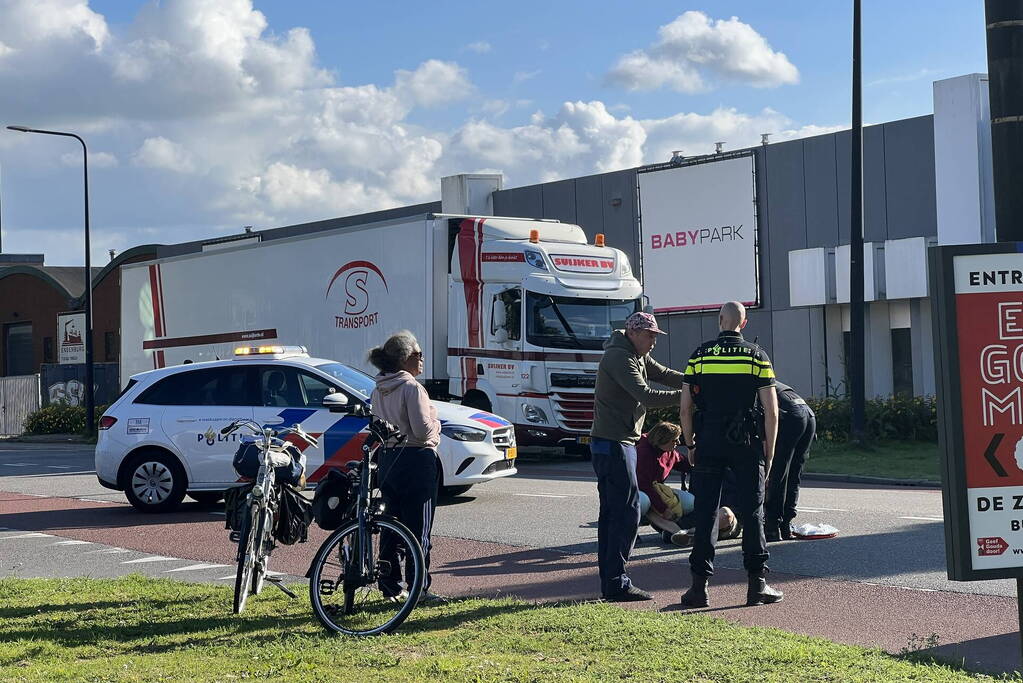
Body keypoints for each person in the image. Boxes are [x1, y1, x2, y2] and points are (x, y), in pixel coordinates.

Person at [678, 301, 783, 608]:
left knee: (707, 512)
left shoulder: (699, 355)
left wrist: (690, 444)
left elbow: (685, 408)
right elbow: (772, 412)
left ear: (719, 320)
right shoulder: (757, 356)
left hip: (708, 442)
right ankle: (756, 586)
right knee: (752, 514)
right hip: (746, 443)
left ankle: (698, 589)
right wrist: (770, 452)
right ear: (744, 324)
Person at [590, 311, 685, 602]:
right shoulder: (620, 357)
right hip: (613, 443)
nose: (654, 341)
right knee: (626, 511)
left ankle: (612, 581)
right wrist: (690, 395)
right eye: (649, 335)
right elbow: (646, 395)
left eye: (656, 336)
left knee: (613, 513)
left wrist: (697, 380)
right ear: (632, 333)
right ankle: (617, 583)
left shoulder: (637, 354)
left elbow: (666, 375)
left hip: (617, 443)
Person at [368, 330, 444, 604]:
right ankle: (418, 588)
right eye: (419, 354)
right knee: (418, 527)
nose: (422, 359)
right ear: (405, 358)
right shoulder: (412, 388)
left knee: (391, 526)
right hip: (416, 460)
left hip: (389, 459)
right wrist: (437, 426)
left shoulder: (379, 387)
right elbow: (423, 432)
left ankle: (390, 585)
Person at [763, 381, 816, 541]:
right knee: (794, 473)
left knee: (779, 472)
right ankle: (786, 526)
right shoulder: (769, 379)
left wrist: (767, 460)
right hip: (808, 413)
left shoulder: (752, 385)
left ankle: (772, 527)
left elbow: (767, 418)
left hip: (789, 415)